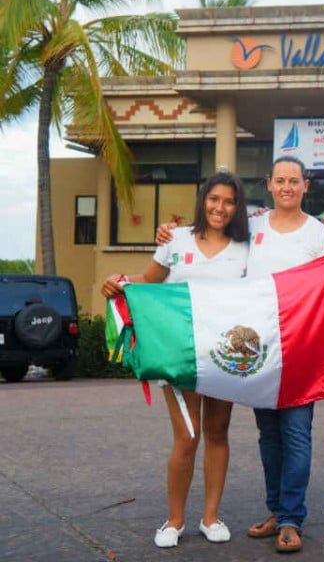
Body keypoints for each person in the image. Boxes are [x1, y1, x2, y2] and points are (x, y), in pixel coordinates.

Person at [101, 171, 250, 548]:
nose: (220, 207)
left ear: (238, 207)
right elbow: (148, 279)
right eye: (214, 199)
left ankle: (211, 518)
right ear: (203, 200)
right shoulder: (176, 239)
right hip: (179, 353)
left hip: (224, 354)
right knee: (187, 436)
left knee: (217, 432)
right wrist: (118, 282)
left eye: (229, 201)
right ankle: (174, 520)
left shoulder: (246, 247)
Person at [243, 156, 324, 553]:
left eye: (294, 181)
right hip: (260, 348)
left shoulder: (319, 234)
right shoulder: (251, 227)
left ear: (306, 185)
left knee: (295, 434)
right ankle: (275, 511)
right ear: (269, 184)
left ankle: (292, 518)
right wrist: (170, 232)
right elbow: (211, 238)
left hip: (302, 348)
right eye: (280, 180)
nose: (287, 187)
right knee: (268, 436)